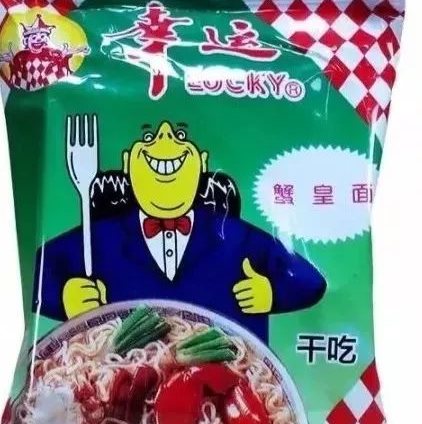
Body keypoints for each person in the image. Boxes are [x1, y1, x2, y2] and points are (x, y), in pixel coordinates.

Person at [33, 120, 326, 343]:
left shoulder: (233, 235)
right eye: (149, 137)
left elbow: (311, 282)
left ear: (202, 163)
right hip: (114, 383)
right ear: (127, 163)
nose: (164, 136)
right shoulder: (100, 238)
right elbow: (32, 272)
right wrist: (65, 297)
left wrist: (271, 293)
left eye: (180, 136)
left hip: (236, 380)